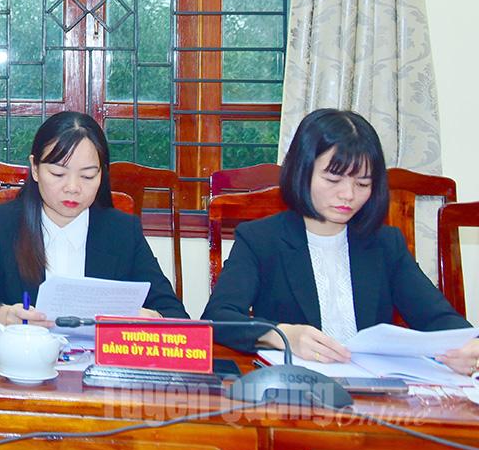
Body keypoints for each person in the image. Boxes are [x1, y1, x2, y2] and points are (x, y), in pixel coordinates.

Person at [202, 108, 479, 375]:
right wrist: (282, 334)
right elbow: (218, 318)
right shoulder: (261, 239)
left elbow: (437, 317)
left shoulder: (385, 244)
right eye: (333, 179)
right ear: (301, 171)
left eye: (362, 184)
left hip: (375, 393)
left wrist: (469, 347)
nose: (348, 194)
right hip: (298, 390)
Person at [0, 111, 187, 330]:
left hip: (97, 360)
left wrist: (149, 318)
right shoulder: (3, 224)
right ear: (35, 169)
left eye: (88, 176)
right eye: (58, 174)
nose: (73, 188)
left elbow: (175, 314)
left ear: (102, 174)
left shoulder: (123, 231)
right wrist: (3, 315)